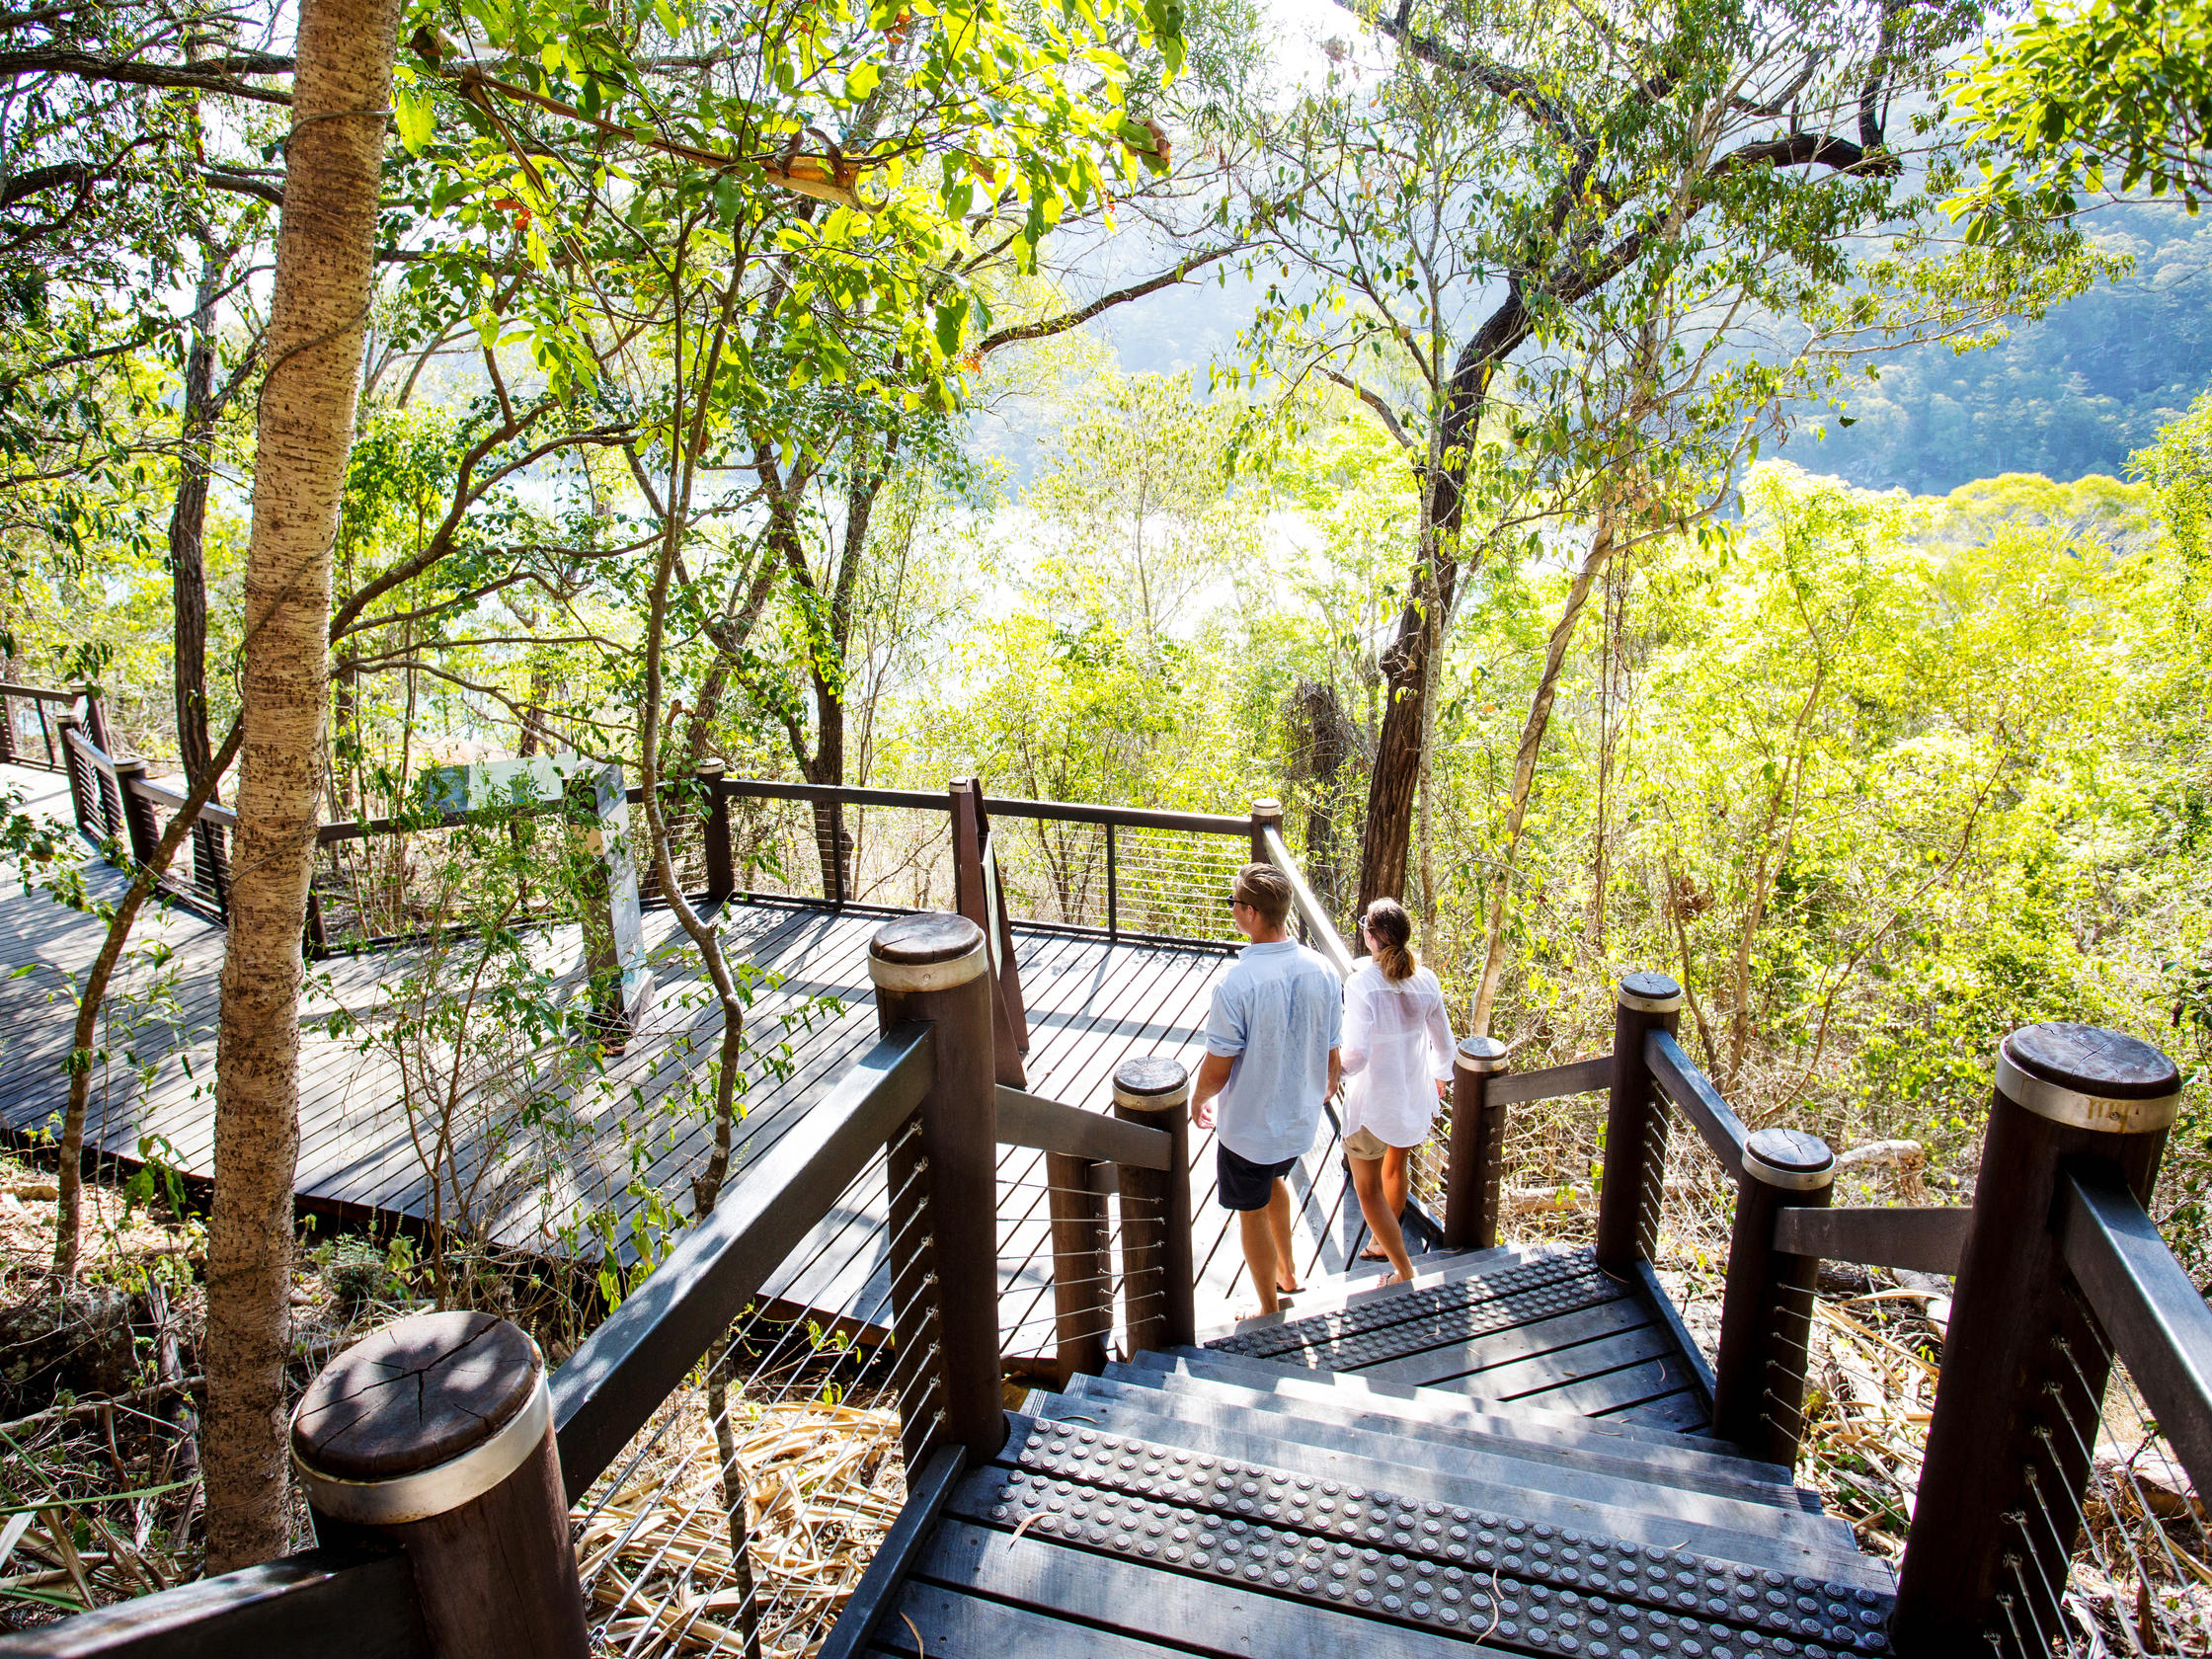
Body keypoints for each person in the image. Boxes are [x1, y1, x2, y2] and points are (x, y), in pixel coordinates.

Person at [1190, 863, 1343, 1316]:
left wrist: (1198, 1098)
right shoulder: (1324, 971)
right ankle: (1289, 1271)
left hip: (1250, 1130)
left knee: (1250, 1209)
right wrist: (1328, 1083)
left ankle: (1268, 1306)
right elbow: (1333, 1049)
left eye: (1235, 903)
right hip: (1298, 1124)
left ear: (1251, 913)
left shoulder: (1237, 984)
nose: (1233, 909)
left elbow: (1218, 1067)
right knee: (1275, 1180)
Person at [1340, 897, 1455, 1285]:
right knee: (1396, 1167)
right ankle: (1379, 1242)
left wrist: (1327, 1070)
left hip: (1372, 1102)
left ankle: (1403, 1268)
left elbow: (1355, 1058)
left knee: (1366, 1188)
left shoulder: (1361, 985)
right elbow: (1446, 1048)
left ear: (1371, 939)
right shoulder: (1426, 980)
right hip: (1411, 1096)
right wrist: (1438, 1079)